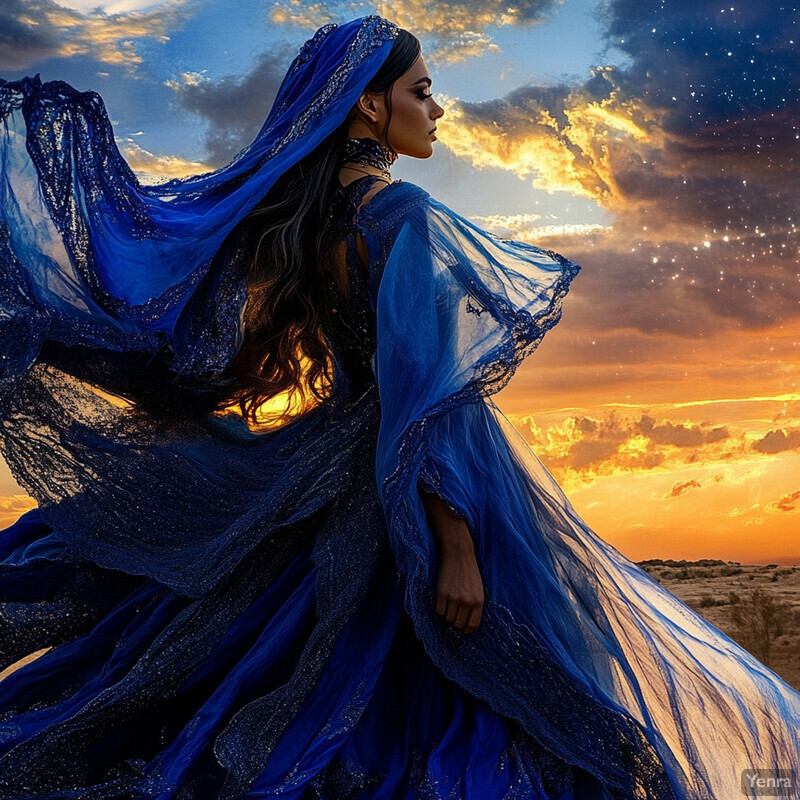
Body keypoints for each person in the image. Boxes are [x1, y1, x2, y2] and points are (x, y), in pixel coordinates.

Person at [0, 14, 797, 800]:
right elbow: (430, 394)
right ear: (369, 107)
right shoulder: (406, 218)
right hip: (432, 480)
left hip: (336, 470)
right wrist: (455, 542)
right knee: (513, 692)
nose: (439, 109)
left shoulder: (304, 235)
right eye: (423, 90)